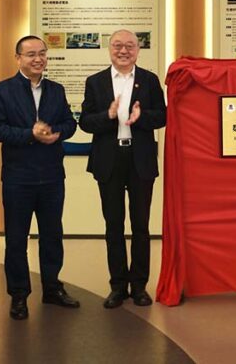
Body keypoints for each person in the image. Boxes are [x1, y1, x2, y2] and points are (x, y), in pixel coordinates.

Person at [0, 35, 80, 319]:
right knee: (16, 239)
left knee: (52, 235)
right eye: (31, 54)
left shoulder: (56, 89)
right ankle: (18, 295)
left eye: (42, 53)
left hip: (52, 176)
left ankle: (52, 288)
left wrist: (57, 133)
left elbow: (70, 123)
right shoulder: (2, 90)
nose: (38, 59)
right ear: (18, 58)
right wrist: (30, 134)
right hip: (18, 178)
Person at [79, 29, 166, 309]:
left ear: (138, 50)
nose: (124, 51)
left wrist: (141, 117)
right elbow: (85, 122)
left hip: (140, 159)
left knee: (141, 225)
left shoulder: (149, 80)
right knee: (113, 225)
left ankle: (139, 286)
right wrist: (108, 115)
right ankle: (117, 286)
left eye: (130, 46)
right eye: (118, 45)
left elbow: (163, 116)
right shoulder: (96, 82)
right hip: (109, 159)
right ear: (109, 49)